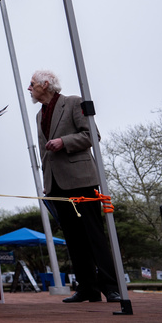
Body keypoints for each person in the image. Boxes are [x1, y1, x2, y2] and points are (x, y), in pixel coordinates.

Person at [28, 70, 121, 304]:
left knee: (94, 236)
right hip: (56, 186)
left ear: (46, 84)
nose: (29, 89)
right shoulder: (39, 116)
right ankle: (88, 289)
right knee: (73, 239)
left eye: (32, 84)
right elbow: (44, 153)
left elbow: (92, 135)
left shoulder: (73, 102)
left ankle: (111, 287)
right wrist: (47, 183)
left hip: (81, 180)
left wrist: (64, 141)